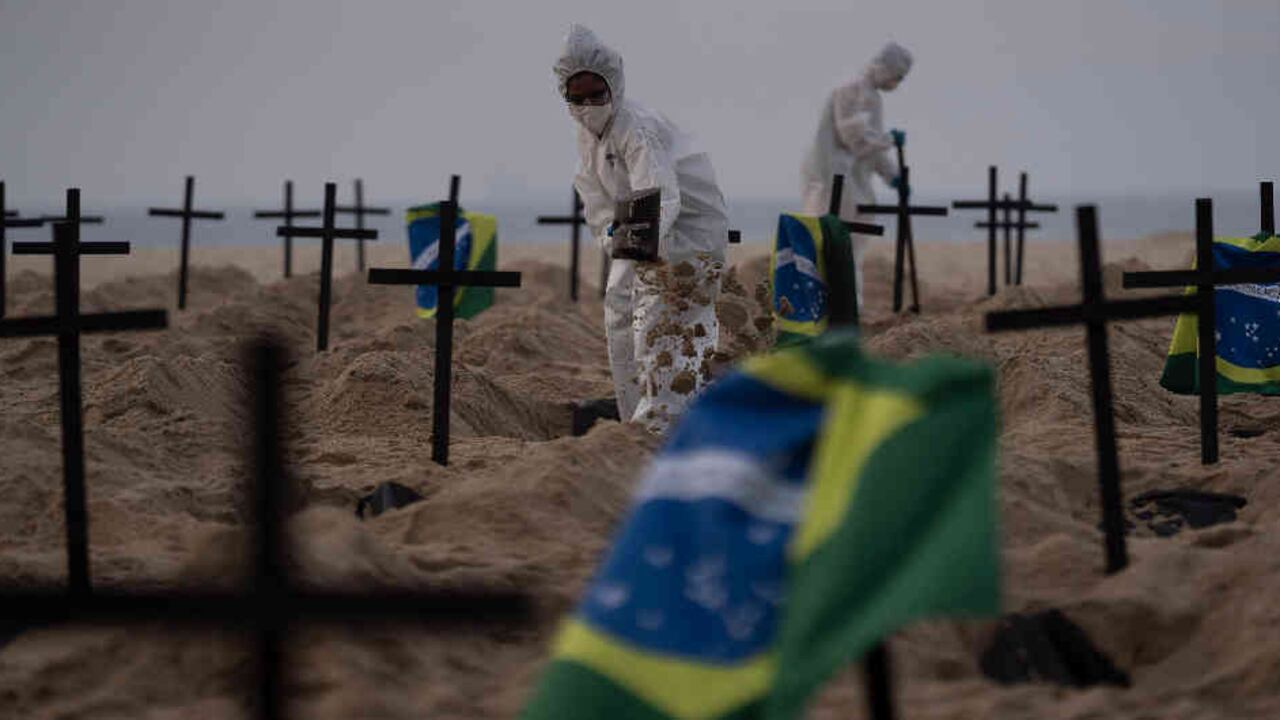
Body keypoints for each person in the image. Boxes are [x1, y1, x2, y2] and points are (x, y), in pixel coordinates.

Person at [553, 24, 730, 434]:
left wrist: (636, 250)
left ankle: (662, 427)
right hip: (640, 237)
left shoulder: (637, 127)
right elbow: (596, 202)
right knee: (621, 317)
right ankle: (635, 420)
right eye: (576, 96)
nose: (587, 105)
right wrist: (613, 240)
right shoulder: (588, 139)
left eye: (595, 93)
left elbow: (660, 197)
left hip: (687, 237)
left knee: (662, 328)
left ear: (613, 84)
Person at [799, 41, 913, 309]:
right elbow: (853, 137)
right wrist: (888, 140)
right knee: (832, 243)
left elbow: (870, 151)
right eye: (897, 77)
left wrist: (892, 176)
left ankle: (848, 306)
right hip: (833, 179)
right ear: (886, 68)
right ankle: (827, 306)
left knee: (852, 246)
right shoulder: (851, 89)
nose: (897, 83)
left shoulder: (873, 97)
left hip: (854, 181)